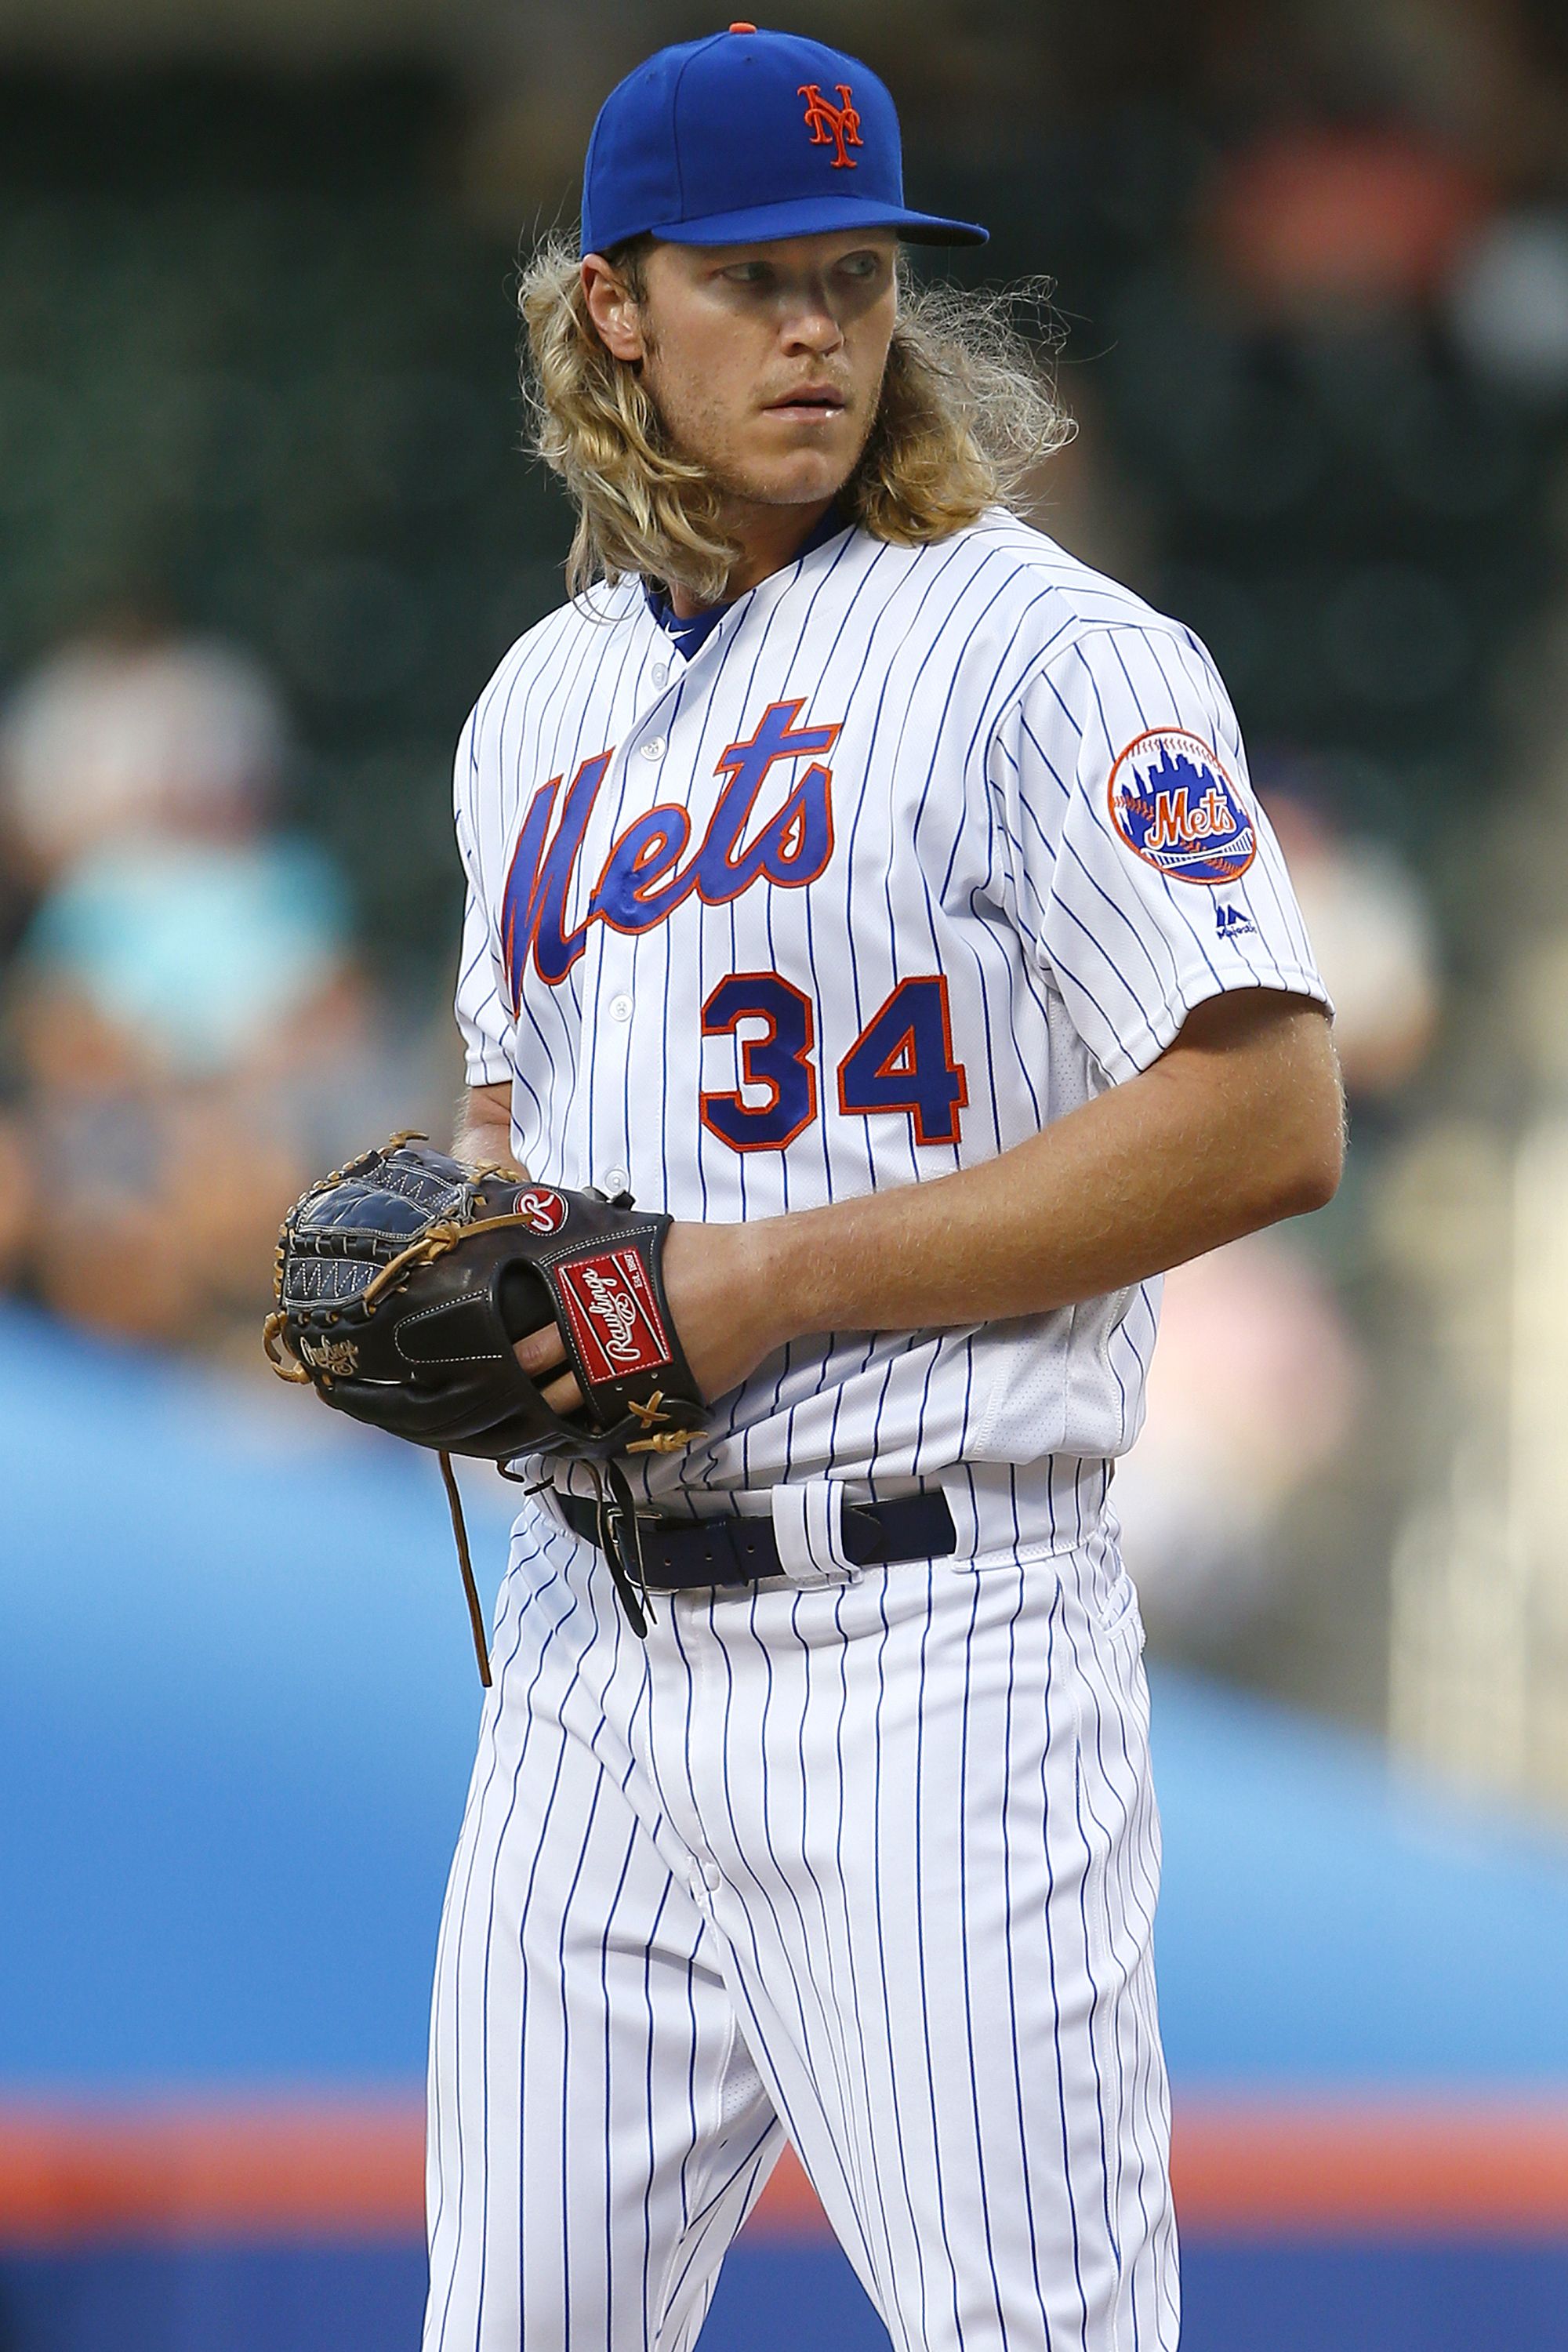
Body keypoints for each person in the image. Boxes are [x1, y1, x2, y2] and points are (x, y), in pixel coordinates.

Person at [427, 27, 1342, 2352]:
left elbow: (1267, 1113)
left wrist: (771, 1277)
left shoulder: (1044, 648)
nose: (822, 326)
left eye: (855, 275)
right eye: (756, 279)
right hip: (585, 1646)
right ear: (617, 305)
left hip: (926, 1633)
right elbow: (513, 1116)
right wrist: (470, 1255)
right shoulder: (537, 704)